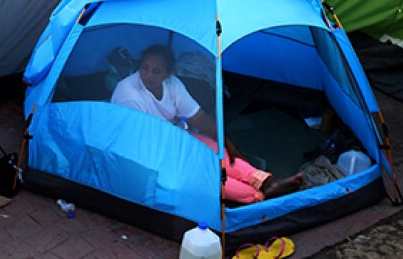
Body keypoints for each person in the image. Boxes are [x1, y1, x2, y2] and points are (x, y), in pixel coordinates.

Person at [111, 46, 303, 204]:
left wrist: (227, 142)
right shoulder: (129, 94)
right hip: (145, 152)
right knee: (203, 171)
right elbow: (145, 144)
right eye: (144, 68)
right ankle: (256, 196)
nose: (148, 75)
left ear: (168, 74)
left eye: (156, 71)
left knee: (217, 149)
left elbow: (198, 117)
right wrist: (190, 156)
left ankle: (266, 181)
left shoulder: (172, 84)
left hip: (174, 139)